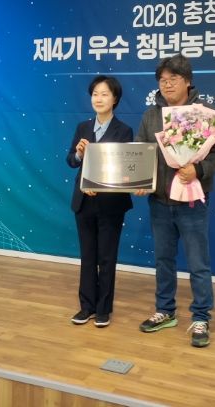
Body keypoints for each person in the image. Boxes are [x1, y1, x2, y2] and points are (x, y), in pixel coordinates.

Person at [135, 54, 215, 347]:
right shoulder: (150, 115)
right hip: (159, 201)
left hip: (192, 202)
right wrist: (140, 181)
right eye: (162, 80)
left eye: (173, 79)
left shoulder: (205, 113)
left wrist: (198, 170)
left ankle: (201, 317)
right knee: (163, 260)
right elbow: (141, 152)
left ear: (187, 81)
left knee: (198, 262)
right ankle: (165, 310)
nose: (167, 85)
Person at [66, 75, 133, 328]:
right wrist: (78, 153)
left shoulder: (123, 130)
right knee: (87, 256)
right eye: (95, 94)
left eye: (104, 94)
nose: (99, 98)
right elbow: (71, 161)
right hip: (83, 202)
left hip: (110, 205)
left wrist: (99, 185)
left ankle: (103, 309)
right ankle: (86, 307)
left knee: (106, 257)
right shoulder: (83, 127)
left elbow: (123, 169)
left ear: (115, 99)